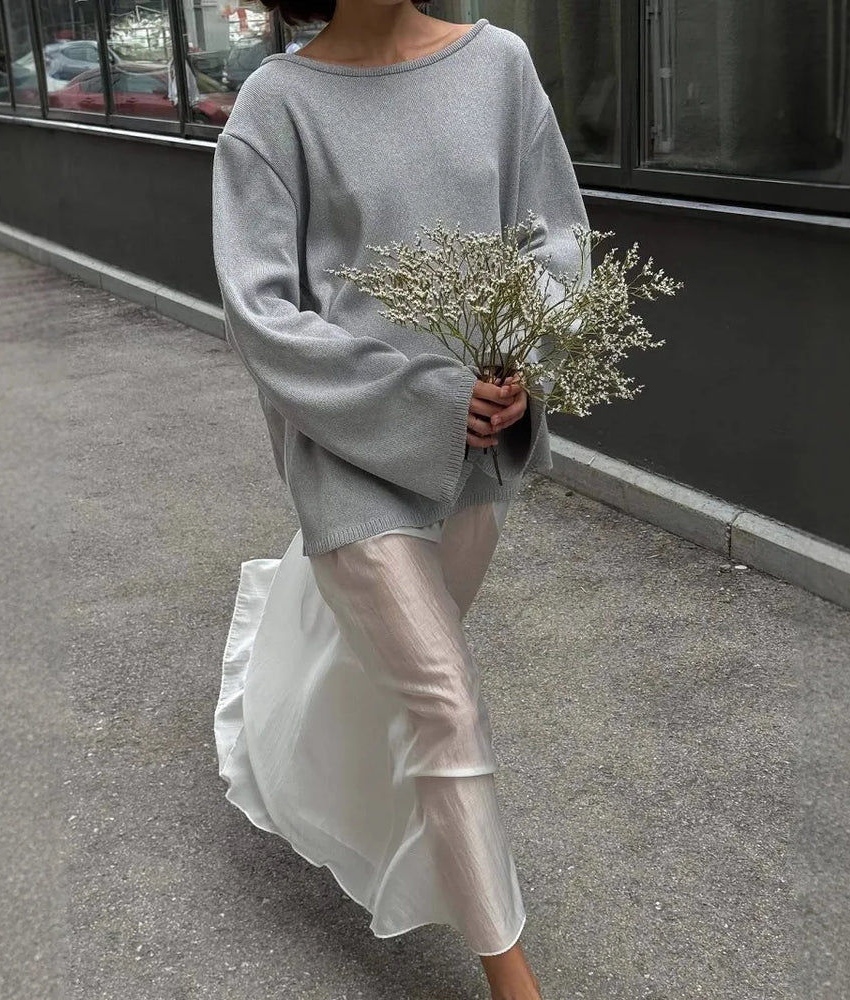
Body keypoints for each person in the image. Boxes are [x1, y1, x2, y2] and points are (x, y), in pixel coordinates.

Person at [210, 3, 590, 998]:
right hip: (347, 451)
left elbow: (554, 240)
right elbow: (261, 313)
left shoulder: (499, 67)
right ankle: (514, 982)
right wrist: (426, 399)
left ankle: (285, 745)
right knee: (443, 700)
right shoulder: (276, 105)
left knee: (397, 687)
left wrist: (520, 362)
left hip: (473, 457)